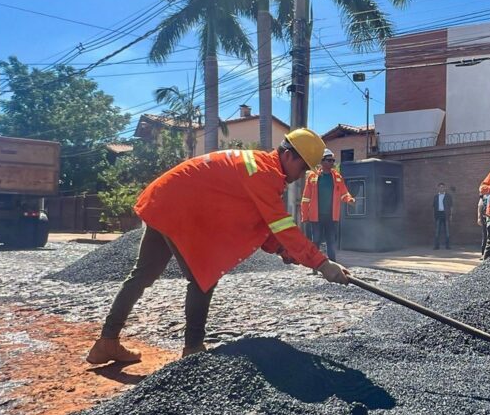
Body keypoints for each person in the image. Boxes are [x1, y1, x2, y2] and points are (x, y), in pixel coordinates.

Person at [86, 130, 349, 364]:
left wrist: (281, 250)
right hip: (179, 208)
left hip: (165, 200)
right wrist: (322, 263)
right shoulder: (263, 173)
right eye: (303, 168)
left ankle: (106, 341)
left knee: (142, 274)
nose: (301, 176)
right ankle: (193, 350)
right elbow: (283, 227)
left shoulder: (258, 165)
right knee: (203, 278)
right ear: (290, 155)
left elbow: (261, 224)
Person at [300, 149, 356, 261]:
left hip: (332, 216)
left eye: (333, 160)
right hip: (316, 217)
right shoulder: (312, 177)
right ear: (322, 161)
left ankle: (333, 263)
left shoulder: (337, 177)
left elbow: (344, 193)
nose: (332, 163)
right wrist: (305, 216)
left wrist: (349, 199)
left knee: (331, 240)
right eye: (329, 160)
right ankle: (315, 264)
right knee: (316, 240)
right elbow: (305, 198)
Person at [432, 182, 453, 250]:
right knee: (437, 231)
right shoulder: (436, 197)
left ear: (445, 188)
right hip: (438, 214)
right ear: (438, 188)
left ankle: (447, 245)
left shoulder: (448, 196)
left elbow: (451, 206)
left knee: (447, 231)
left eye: (443, 187)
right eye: (440, 187)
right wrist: (434, 214)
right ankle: (436, 246)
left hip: (446, 214)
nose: (441, 188)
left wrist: (451, 215)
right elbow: (434, 206)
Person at [477, 194, 490, 259]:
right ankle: (483, 254)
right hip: (485, 218)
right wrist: (479, 217)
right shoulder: (483, 196)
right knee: (485, 236)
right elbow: (480, 206)